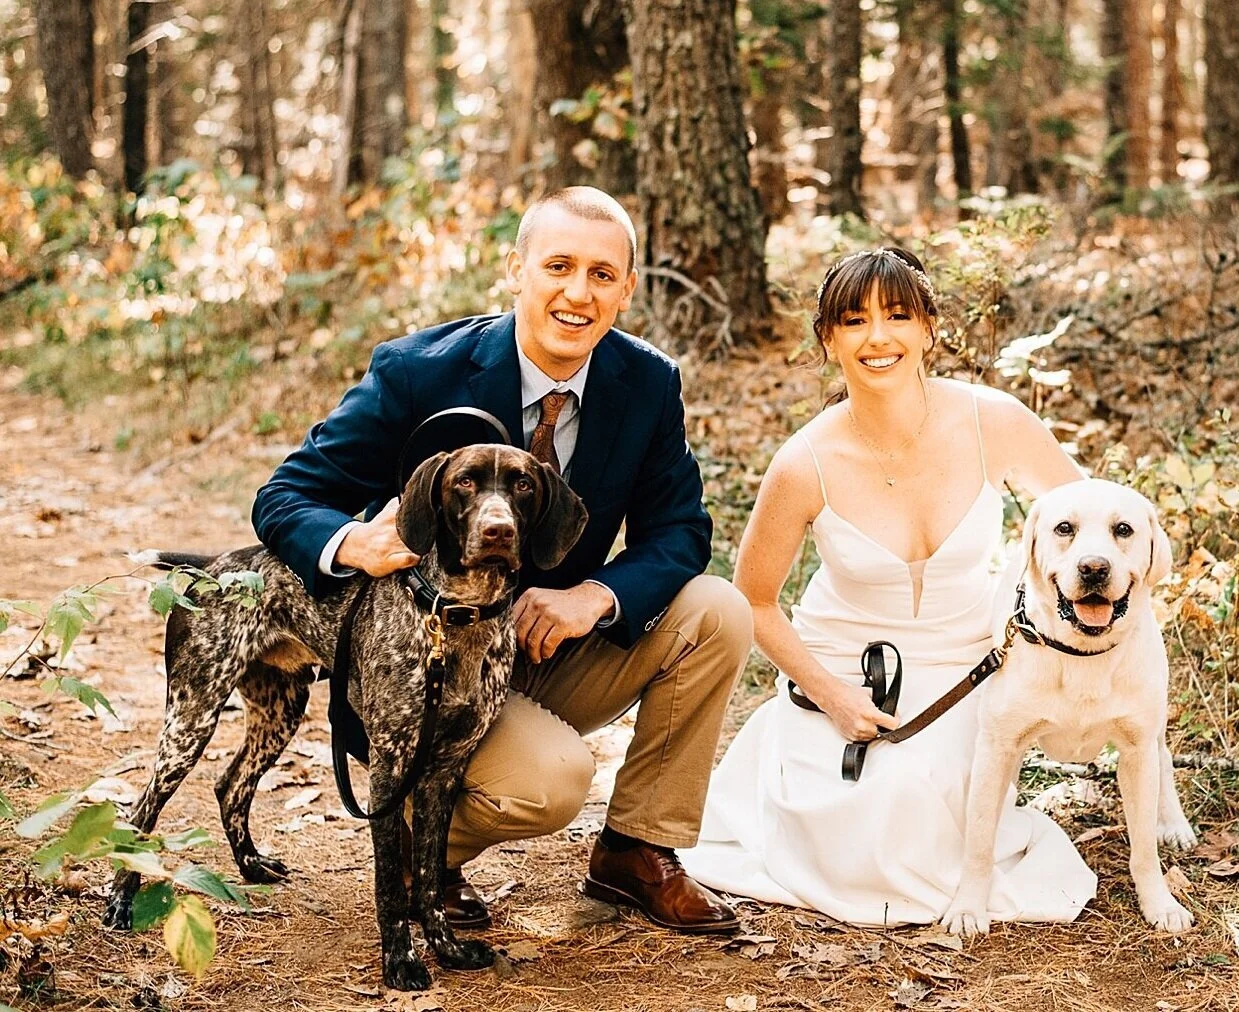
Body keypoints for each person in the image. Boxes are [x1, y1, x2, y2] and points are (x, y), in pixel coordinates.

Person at [253, 186, 752, 934]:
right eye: (558, 266)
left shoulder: (647, 382)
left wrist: (596, 595)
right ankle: (423, 851)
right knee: (551, 782)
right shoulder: (419, 371)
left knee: (718, 611)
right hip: (426, 667)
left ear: (626, 289)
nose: (578, 293)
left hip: (548, 646)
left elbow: (679, 530)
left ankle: (636, 849)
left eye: (601, 274)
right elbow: (286, 495)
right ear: (516, 270)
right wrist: (356, 544)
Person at [680, 247, 1098, 927]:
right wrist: (832, 695)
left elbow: (1092, 521)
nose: (878, 338)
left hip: (967, 671)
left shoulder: (994, 421)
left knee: (920, 814)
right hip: (846, 674)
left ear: (929, 329)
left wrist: (1052, 630)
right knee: (860, 832)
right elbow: (753, 601)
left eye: (898, 316)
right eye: (855, 321)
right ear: (828, 339)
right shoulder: (803, 462)